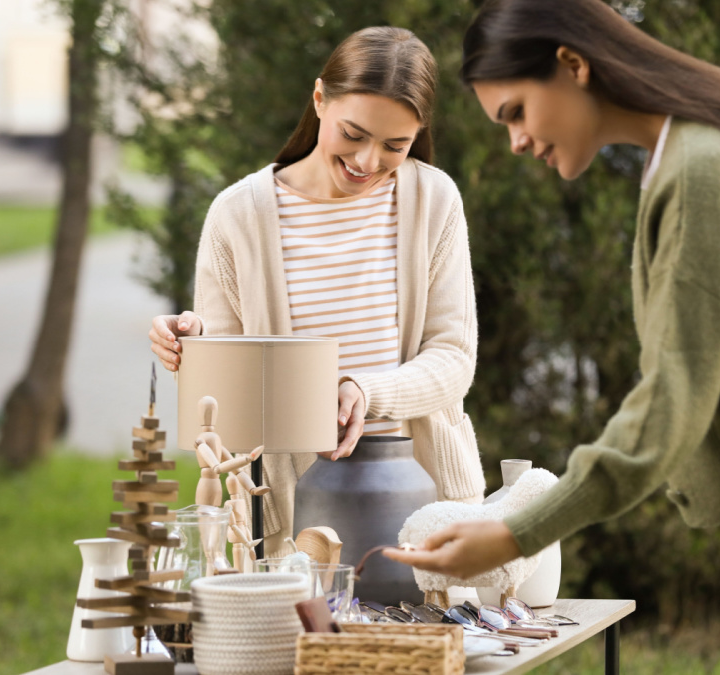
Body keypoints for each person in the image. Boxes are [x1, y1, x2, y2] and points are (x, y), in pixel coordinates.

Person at [385, 1, 720, 672]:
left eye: (516, 112)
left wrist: (513, 533)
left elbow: (672, 402)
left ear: (572, 65)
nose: (515, 142)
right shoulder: (687, 150)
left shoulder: (700, 166)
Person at [149, 26, 485, 556]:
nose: (368, 163)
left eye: (395, 145)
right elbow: (224, 411)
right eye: (354, 134)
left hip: (429, 513)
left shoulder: (434, 200)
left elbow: (454, 357)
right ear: (319, 98)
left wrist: (367, 393)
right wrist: (195, 346)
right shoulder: (238, 216)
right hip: (290, 523)